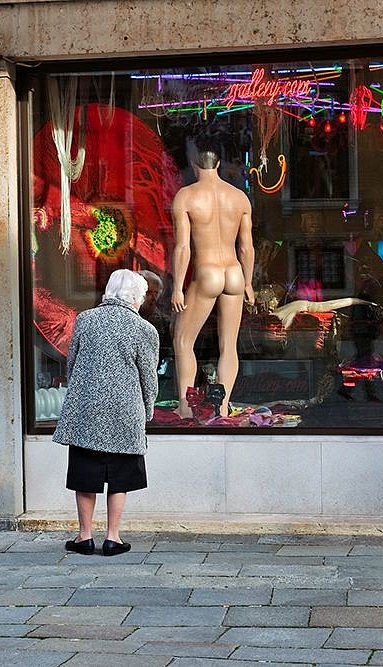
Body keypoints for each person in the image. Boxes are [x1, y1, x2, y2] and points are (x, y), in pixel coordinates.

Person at [53, 269, 159, 557]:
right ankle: (113, 537)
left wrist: (80, 396)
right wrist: (147, 410)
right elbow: (148, 378)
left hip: (86, 409)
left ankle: (84, 537)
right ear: (136, 297)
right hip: (125, 411)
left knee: (85, 473)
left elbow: (71, 364)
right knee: (120, 476)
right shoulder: (144, 329)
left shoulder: (85, 320)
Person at [171, 140, 255, 418]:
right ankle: (223, 406)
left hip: (207, 271)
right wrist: (249, 283)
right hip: (234, 272)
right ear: (219, 164)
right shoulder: (239, 197)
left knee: (183, 341)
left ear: (195, 165)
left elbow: (183, 247)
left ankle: (185, 408)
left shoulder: (186, 196)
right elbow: (247, 247)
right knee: (228, 345)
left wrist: (178, 287)